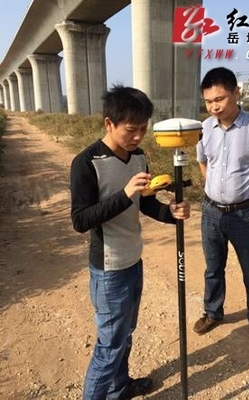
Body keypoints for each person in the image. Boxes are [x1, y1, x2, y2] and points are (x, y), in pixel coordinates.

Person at [70, 84, 190, 400]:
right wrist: (124, 195)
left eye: (143, 129)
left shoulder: (139, 158)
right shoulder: (87, 162)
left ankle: (120, 387)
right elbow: (81, 220)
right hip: (108, 270)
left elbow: (145, 203)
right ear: (109, 123)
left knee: (126, 335)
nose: (138, 136)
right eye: (131, 130)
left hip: (133, 262)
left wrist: (170, 212)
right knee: (109, 346)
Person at [193, 67, 249, 349]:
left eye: (220, 99)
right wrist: (214, 188)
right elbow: (203, 161)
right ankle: (213, 312)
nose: (214, 106)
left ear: (236, 93)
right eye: (208, 101)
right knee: (213, 267)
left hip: (245, 214)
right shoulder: (204, 128)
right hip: (211, 212)